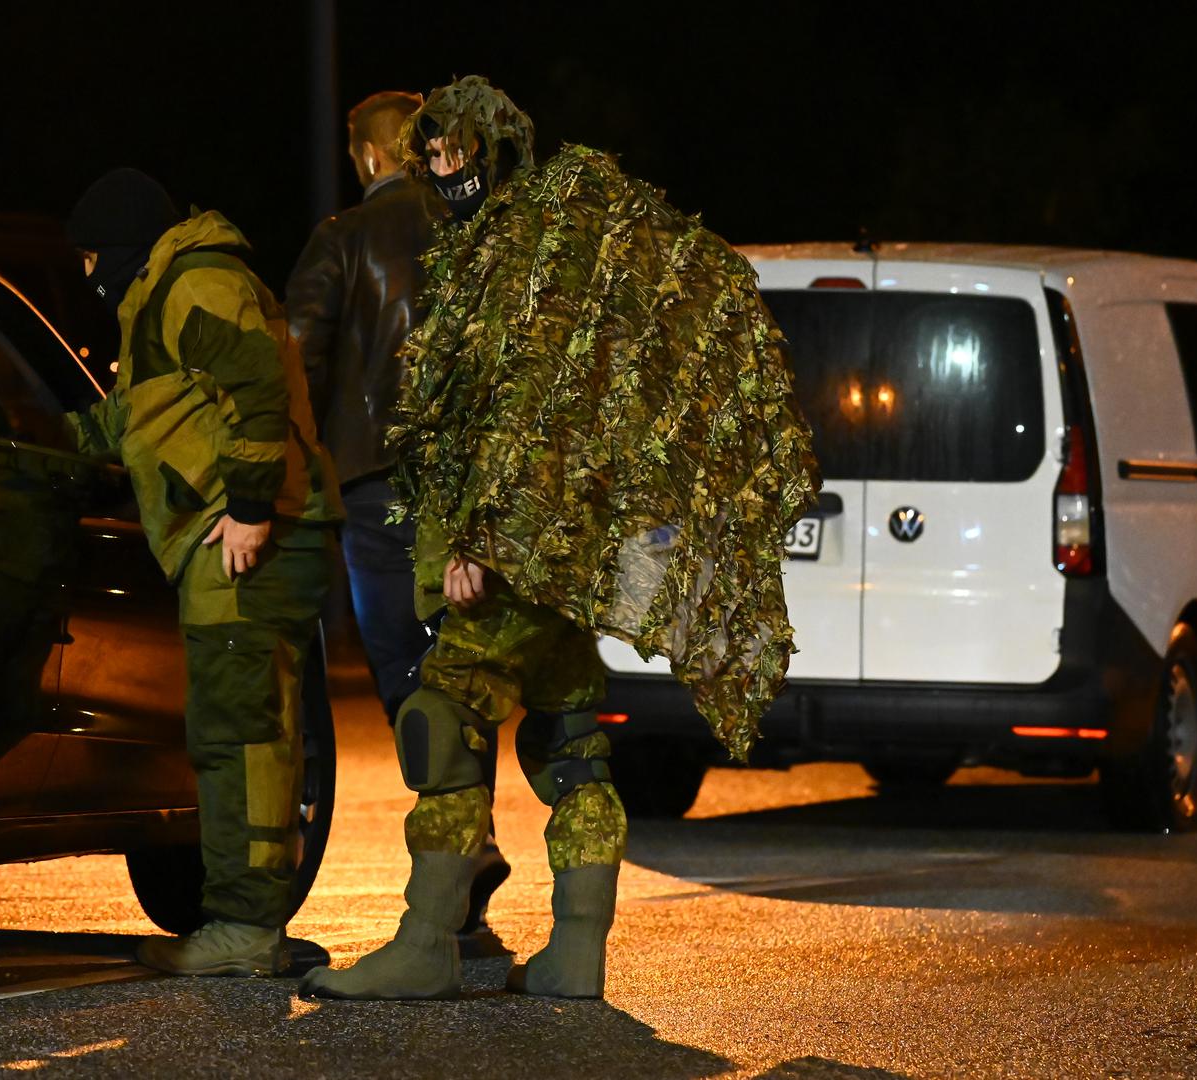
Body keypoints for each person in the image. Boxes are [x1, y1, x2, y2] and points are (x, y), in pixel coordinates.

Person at [299, 77, 819, 1002]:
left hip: (502, 550)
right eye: (433, 153)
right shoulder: (558, 248)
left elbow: (509, 412)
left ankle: (427, 946)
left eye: (456, 153)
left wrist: (474, 538)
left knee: (443, 723)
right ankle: (577, 950)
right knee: (570, 737)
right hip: (562, 557)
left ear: (488, 152)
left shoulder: (505, 261)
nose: (442, 168)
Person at [64, 168, 342, 977]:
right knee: (254, 734)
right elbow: (151, 412)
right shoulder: (175, 289)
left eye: (90, 258)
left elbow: (256, 392)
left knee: (240, 737)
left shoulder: (194, 284)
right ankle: (254, 923)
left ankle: (245, 930)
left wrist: (251, 508)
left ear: (120, 245)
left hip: (246, 538)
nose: (88, 276)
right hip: (250, 533)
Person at [286, 90, 512, 934]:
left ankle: (458, 868)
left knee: (410, 675)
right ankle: (466, 890)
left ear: (373, 157)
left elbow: (297, 364)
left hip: (380, 486)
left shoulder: (345, 239)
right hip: (471, 492)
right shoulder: (480, 231)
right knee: (463, 674)